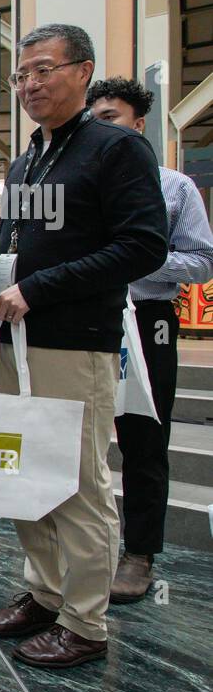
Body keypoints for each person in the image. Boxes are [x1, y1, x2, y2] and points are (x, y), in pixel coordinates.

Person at [0, 25, 167, 669]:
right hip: (13, 341)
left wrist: (41, 288)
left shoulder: (115, 150)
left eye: (44, 70)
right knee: (23, 478)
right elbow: (4, 256)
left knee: (78, 485)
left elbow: (142, 245)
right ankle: (45, 594)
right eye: (21, 75)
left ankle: (85, 620)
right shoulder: (27, 159)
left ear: (84, 71)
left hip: (74, 343)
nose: (29, 85)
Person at [86, 77, 213, 602]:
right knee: (78, 435)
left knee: (143, 440)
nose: (100, 126)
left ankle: (138, 552)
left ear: (139, 124)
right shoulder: (80, 185)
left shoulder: (172, 187)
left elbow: (203, 260)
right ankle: (78, 548)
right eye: (94, 117)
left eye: (110, 116)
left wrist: (137, 254)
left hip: (147, 319)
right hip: (86, 316)